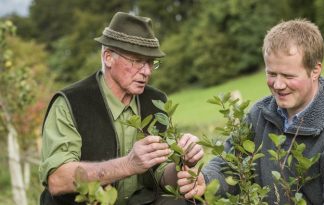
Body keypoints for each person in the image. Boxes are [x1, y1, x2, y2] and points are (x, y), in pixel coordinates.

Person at [177, 19, 324, 204]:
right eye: (271, 74)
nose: (278, 85)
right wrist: (206, 179)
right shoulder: (259, 114)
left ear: (315, 70)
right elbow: (230, 163)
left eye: (289, 76)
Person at [39, 12, 203, 205]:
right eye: (137, 61)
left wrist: (182, 166)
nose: (147, 71)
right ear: (108, 57)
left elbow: (160, 172)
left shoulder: (156, 100)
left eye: (151, 62)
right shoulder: (70, 102)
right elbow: (57, 180)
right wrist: (128, 164)